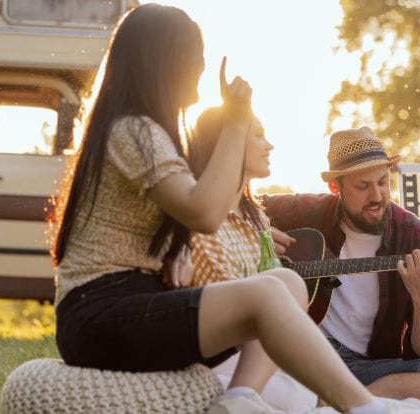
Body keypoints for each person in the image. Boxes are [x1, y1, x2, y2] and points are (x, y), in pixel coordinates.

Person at [49, 5, 389, 413]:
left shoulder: (148, 132)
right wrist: (235, 122)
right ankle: (365, 408)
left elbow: (195, 212)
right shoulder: (133, 129)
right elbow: (205, 212)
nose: (202, 65)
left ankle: (240, 400)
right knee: (267, 294)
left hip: (134, 304)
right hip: (100, 314)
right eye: (196, 53)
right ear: (166, 58)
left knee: (286, 283)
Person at [261, 126, 420, 401]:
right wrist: (259, 234)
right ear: (335, 187)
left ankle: (341, 400)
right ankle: (345, 400)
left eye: (383, 182)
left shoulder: (417, 240)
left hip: (369, 366)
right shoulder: (309, 212)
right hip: (306, 352)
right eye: (363, 186)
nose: (376, 196)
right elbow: (243, 206)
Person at [185, 106, 319, 411]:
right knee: (298, 395)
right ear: (227, 143)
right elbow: (227, 309)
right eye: (259, 136)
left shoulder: (256, 218)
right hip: (214, 352)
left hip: (253, 346)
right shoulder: (204, 219)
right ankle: (240, 400)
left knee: (306, 387)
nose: (269, 145)